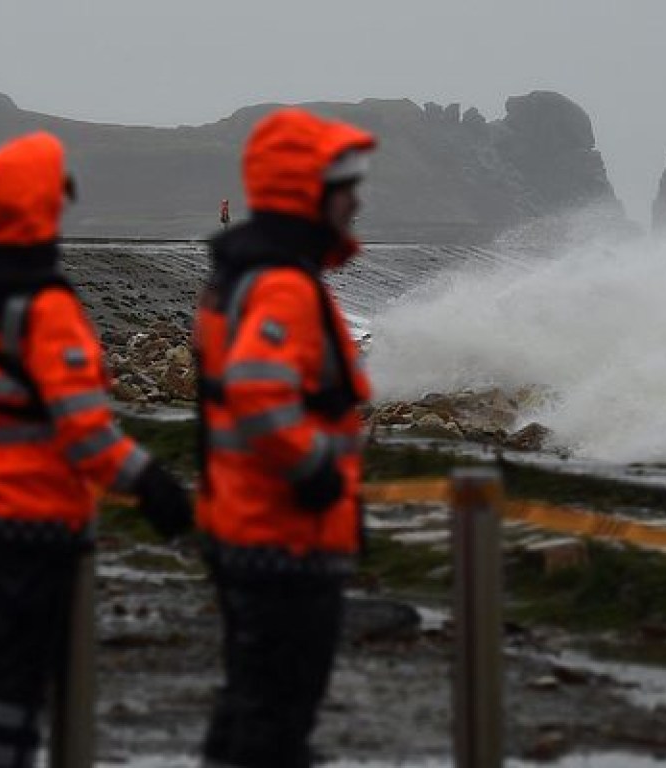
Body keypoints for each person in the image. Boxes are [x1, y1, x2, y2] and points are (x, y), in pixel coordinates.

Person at [0, 131, 193, 767]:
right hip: (33, 521)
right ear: (42, 207)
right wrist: (152, 485)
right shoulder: (45, 307)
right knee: (15, 684)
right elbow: (84, 431)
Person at [195, 108, 375, 768]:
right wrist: (317, 467)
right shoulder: (283, 286)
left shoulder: (249, 274)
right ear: (310, 194)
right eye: (346, 186)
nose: (358, 200)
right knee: (275, 717)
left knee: (251, 707)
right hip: (280, 536)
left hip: (247, 527)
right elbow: (255, 390)